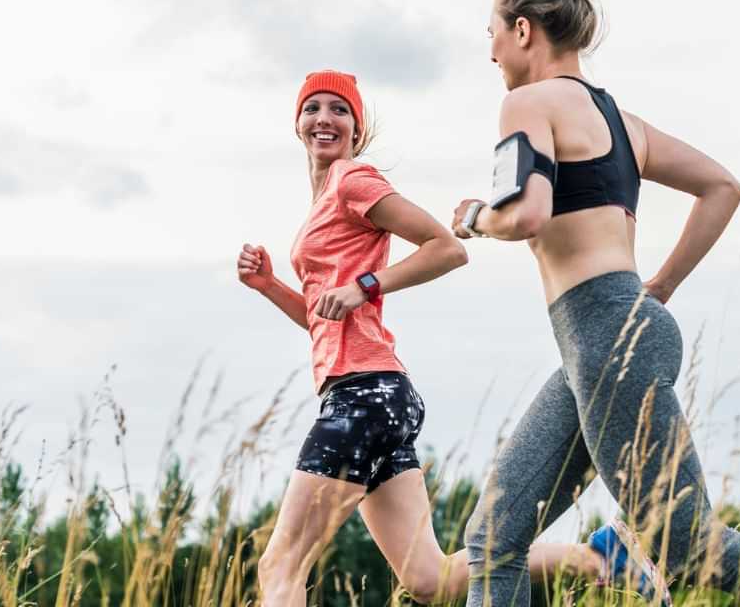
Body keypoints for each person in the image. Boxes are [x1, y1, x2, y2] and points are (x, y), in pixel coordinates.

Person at [451, 0, 740, 606]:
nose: (491, 52)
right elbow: (722, 187)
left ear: (523, 30)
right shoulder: (621, 122)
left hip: (606, 340)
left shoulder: (528, 102)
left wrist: (474, 216)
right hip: (605, 339)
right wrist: (658, 290)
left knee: (688, 548)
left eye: (492, 34)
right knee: (494, 538)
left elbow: (525, 213)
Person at [239, 70, 658, 605]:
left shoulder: (353, 181)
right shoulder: (321, 204)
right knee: (429, 580)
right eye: (313, 108)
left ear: (356, 127)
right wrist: (270, 284)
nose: (325, 119)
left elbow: (446, 247)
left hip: (362, 396)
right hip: (378, 395)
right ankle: (600, 557)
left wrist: (366, 286)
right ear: (297, 123)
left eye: (339, 110)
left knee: (281, 565)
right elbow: (323, 318)